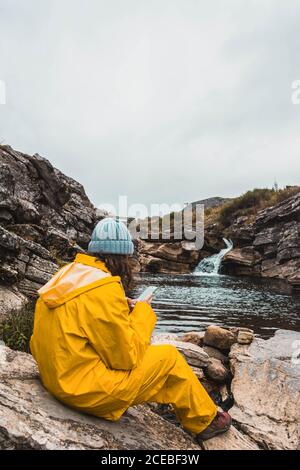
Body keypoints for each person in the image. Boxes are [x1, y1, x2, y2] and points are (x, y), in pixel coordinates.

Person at [30, 218, 231, 442]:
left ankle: (182, 405)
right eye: (127, 258)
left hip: (54, 378)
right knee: (169, 358)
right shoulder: (104, 290)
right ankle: (206, 421)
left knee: (157, 367)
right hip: (80, 392)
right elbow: (127, 357)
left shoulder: (68, 274)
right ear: (120, 257)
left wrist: (120, 304)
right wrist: (142, 312)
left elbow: (84, 315)